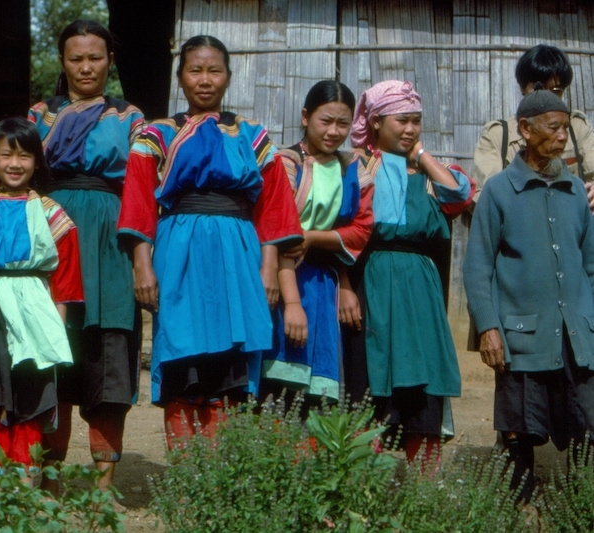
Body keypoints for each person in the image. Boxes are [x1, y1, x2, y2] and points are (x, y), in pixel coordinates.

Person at [118, 35, 303, 448]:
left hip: (240, 250)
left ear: (228, 77)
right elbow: (138, 203)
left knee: (231, 358)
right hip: (179, 249)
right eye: (195, 70)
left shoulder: (253, 137)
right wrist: (142, 264)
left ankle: (220, 473)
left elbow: (272, 209)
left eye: (214, 70)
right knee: (182, 351)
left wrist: (269, 268)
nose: (205, 80)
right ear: (180, 78)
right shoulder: (156, 135)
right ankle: (186, 473)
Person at [27, 20, 144, 501]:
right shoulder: (40, 115)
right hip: (52, 234)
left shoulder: (130, 117)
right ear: (63, 61)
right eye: (76, 58)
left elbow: (141, 187)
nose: (86, 66)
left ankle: (102, 483)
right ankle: (49, 478)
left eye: (95, 57)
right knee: (52, 352)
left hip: (111, 239)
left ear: (109, 61)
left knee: (109, 350)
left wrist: (141, 257)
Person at [464, 89, 594, 503]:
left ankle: (578, 513)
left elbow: (590, 267)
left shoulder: (576, 192)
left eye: (565, 129)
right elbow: (478, 267)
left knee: (587, 431)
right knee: (519, 437)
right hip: (522, 340)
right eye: (553, 128)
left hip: (577, 339)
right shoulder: (500, 191)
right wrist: (488, 327)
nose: (561, 137)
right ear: (525, 129)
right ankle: (520, 517)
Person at [0, 117, 83, 484]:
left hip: (37, 302)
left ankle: (27, 475)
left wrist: (58, 324)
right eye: (6, 155)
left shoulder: (53, 214)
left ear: (37, 161)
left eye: (24, 156)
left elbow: (66, 277)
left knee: (32, 383)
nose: (15, 164)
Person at [348, 80, 475, 467]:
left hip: (420, 285)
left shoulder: (435, 173)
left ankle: (422, 483)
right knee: (375, 373)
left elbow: (460, 195)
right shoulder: (358, 167)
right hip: (373, 279)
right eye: (401, 121)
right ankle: (369, 483)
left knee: (424, 375)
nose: (409, 129)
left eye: (416, 121)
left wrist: (420, 154)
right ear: (376, 123)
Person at [259, 80, 373, 412]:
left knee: (318, 385)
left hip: (324, 282)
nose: (334, 131)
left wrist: (312, 239)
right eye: (326, 121)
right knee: (281, 375)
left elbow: (360, 229)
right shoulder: (286, 163)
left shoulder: (351, 167)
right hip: (286, 279)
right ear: (305, 116)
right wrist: (292, 302)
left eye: (343, 123)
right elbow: (280, 233)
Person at [473, 44, 594, 206]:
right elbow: (485, 198)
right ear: (523, 89)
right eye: (539, 90)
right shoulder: (498, 136)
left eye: (555, 90)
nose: (546, 99)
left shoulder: (577, 128)